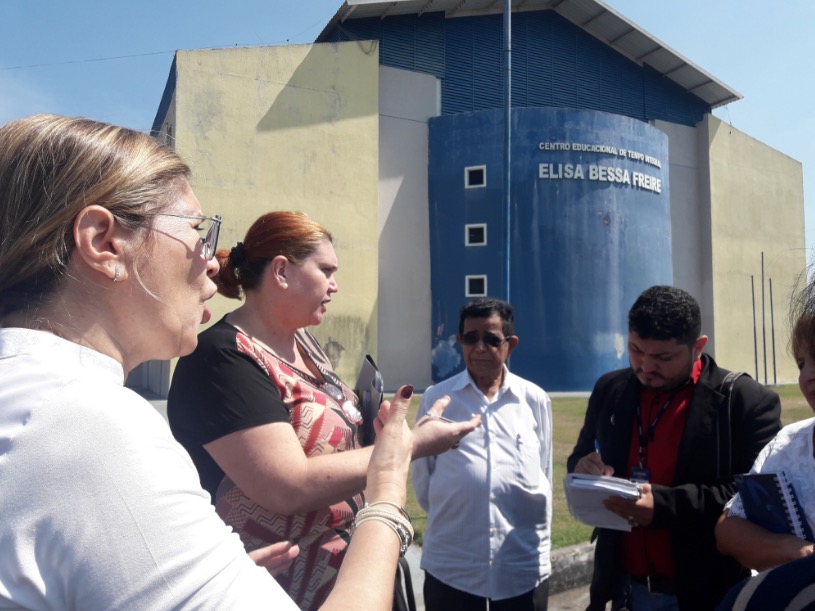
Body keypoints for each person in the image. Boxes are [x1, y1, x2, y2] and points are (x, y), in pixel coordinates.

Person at [0, 113, 422, 610]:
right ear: (104, 243)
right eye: (198, 229)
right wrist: (389, 488)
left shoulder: (34, 392)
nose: (213, 260)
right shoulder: (86, 423)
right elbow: (286, 484)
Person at [167, 210, 481, 611]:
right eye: (326, 270)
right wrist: (410, 445)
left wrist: (376, 431)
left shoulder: (305, 343)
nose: (335, 286)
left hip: (353, 572)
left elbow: (329, 442)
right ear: (281, 271)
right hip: (282, 591)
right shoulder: (223, 358)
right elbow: (288, 485)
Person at [567, 285, 782, 611]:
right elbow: (581, 454)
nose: (645, 366)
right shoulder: (611, 389)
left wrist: (665, 506)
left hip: (703, 592)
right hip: (622, 587)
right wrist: (585, 467)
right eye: (635, 349)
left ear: (698, 347)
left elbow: (756, 500)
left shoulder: (744, 402)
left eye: (663, 357)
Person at [411, 297, 553, 611]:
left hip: (521, 568)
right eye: (470, 338)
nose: (479, 347)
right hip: (452, 567)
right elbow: (423, 483)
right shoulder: (438, 399)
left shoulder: (534, 400)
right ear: (459, 341)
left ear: (510, 344)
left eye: (490, 339)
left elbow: (544, 475)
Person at [715, 272, 815, 571]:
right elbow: (727, 530)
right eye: (802, 363)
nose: (807, 375)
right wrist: (795, 550)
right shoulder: (786, 445)